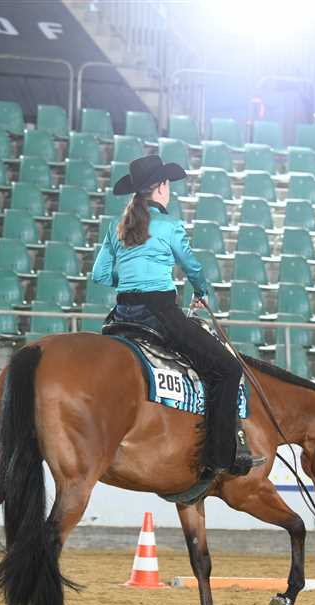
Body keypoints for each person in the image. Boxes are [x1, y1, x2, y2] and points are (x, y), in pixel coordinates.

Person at [92, 155, 261, 477]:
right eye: (168, 185)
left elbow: (99, 275)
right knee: (228, 368)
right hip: (159, 314)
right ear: (161, 187)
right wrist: (201, 291)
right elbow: (191, 266)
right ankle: (220, 456)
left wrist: (127, 280)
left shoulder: (117, 227)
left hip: (121, 316)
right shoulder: (170, 226)